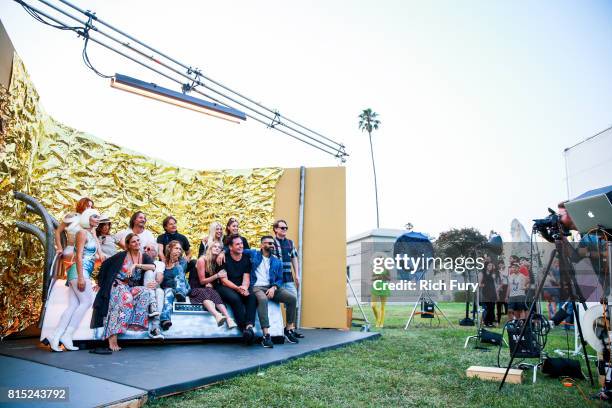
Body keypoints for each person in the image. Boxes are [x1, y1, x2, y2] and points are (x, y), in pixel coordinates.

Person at [91, 233, 158, 352]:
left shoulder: (144, 256)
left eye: (138, 240)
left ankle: (134, 324)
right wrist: (101, 284)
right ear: (128, 245)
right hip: (118, 284)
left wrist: (137, 265)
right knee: (126, 298)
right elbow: (105, 265)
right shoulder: (121, 256)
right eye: (133, 242)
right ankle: (112, 337)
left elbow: (153, 267)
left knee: (145, 292)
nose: (137, 243)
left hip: (130, 286)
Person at [48, 208, 100, 352]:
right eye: (95, 216)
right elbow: (78, 255)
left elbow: (95, 254)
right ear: (88, 218)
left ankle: (56, 335)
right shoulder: (82, 232)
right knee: (86, 302)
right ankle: (67, 335)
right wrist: (82, 277)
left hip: (82, 271)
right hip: (79, 271)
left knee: (73, 305)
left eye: (99, 217)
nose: (98, 219)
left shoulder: (89, 233)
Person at [248, 236, 299, 348]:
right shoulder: (253, 254)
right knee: (262, 299)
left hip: (271, 287)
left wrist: (274, 287)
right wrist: (222, 252)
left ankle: (289, 328)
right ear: (262, 245)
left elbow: (280, 279)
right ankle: (266, 335)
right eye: (269, 243)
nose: (272, 245)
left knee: (292, 299)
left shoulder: (277, 261)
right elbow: (236, 249)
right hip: (257, 287)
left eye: (272, 243)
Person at [216, 234, 257, 344]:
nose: (241, 246)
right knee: (235, 299)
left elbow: (246, 277)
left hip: (240, 286)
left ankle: (249, 327)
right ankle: (243, 329)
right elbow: (224, 280)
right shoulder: (223, 258)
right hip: (225, 286)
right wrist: (237, 289)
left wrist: (244, 287)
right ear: (230, 247)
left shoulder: (246, 258)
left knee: (252, 297)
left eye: (241, 244)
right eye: (237, 244)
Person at [191, 241, 237, 329]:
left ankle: (228, 319)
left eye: (219, 247)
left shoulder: (217, 261)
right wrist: (217, 275)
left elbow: (218, 279)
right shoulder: (202, 260)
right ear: (210, 248)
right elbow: (201, 281)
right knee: (204, 294)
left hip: (207, 286)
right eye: (214, 246)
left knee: (214, 294)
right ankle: (217, 315)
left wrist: (212, 283)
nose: (216, 248)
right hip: (196, 286)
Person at [272, 219, 304, 338]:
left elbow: (294, 258)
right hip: (277, 280)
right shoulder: (271, 242)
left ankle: (290, 328)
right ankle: (285, 329)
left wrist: (297, 275)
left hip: (289, 278)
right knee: (286, 301)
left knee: (293, 301)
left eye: (286, 228)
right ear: (275, 229)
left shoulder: (290, 243)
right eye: (282, 228)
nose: (284, 230)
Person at [54, 197, 94, 267]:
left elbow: (94, 237)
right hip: (71, 249)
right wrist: (59, 248)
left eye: (91, 207)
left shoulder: (91, 220)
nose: (89, 208)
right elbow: (57, 232)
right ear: (82, 205)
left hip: (86, 251)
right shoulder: (71, 216)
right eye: (87, 206)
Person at [159, 240, 189, 330]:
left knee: (178, 276)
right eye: (176, 248)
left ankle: (180, 293)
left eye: (180, 249)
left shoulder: (182, 261)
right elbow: (162, 279)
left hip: (182, 287)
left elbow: (181, 275)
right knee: (168, 293)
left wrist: (176, 263)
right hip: (169, 288)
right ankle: (165, 319)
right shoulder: (162, 262)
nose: (179, 251)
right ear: (170, 249)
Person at [143, 244, 165, 339]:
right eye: (144, 248)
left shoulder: (159, 263)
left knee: (160, 292)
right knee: (149, 272)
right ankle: (152, 304)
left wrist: (156, 283)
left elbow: (160, 276)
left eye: (148, 249)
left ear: (155, 253)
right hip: (143, 287)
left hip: (154, 287)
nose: (145, 250)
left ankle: (155, 328)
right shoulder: (139, 260)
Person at [370, 252, 391, 328]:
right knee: (373, 305)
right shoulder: (374, 268)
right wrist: (377, 277)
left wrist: (384, 277)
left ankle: (381, 323)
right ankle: (378, 319)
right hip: (375, 287)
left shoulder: (386, 268)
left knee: (383, 307)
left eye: (382, 260)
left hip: (383, 287)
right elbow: (371, 278)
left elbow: (389, 278)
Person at [478, 261, 497, 327]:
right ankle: (485, 322)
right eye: (489, 265)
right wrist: (484, 285)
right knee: (486, 308)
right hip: (485, 293)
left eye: (491, 266)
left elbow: (494, 284)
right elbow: (479, 284)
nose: (490, 267)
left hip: (492, 293)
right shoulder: (482, 273)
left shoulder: (493, 274)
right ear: (485, 266)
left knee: (492, 308)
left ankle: (491, 322)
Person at [495, 260, 509, 325]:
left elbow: (507, 276)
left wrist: (501, 272)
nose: (500, 265)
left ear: (504, 264)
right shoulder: (497, 272)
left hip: (506, 288)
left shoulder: (507, 270)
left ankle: (509, 321)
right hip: (500, 289)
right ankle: (498, 321)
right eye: (499, 264)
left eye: (502, 264)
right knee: (498, 305)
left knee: (507, 305)